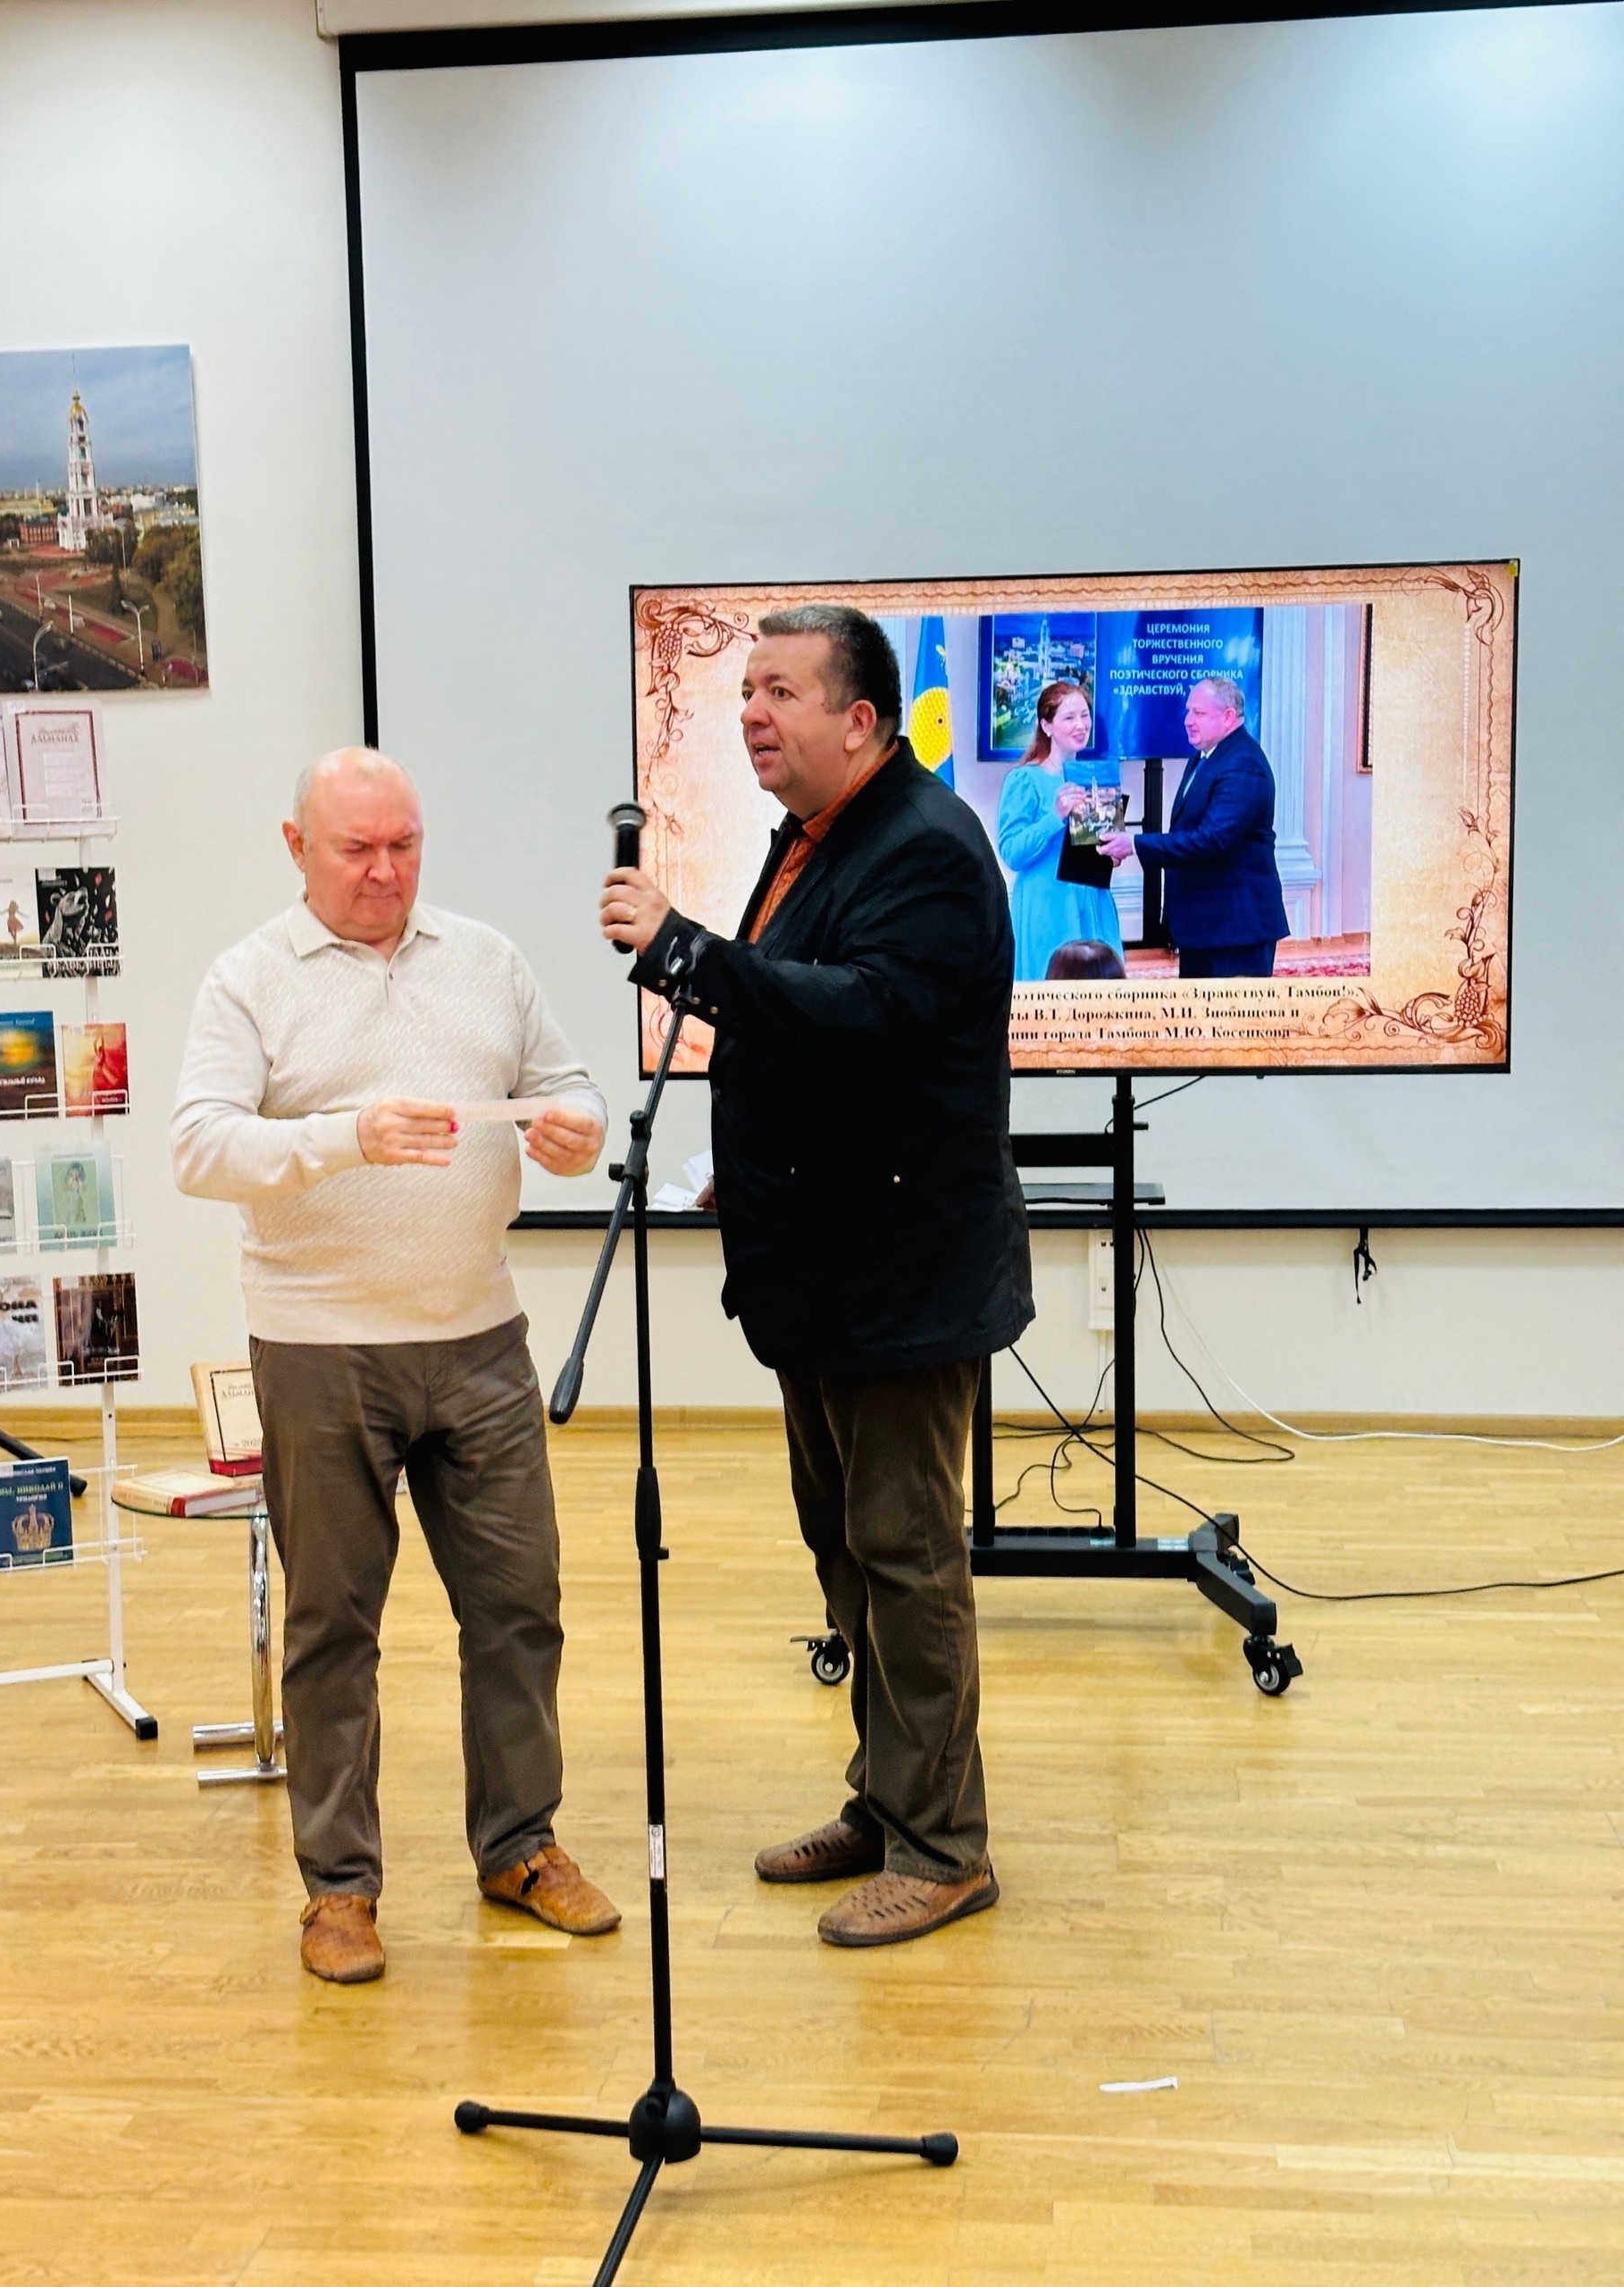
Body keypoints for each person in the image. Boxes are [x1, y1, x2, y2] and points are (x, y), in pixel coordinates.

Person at [601, 605, 1033, 1949]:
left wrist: (681, 950)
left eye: (780, 691)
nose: (751, 714)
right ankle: (888, 1802)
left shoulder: (929, 846)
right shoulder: (814, 834)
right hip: (823, 1263)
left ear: (861, 718)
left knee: (907, 1558)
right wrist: (754, 1166)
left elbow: (866, 1016)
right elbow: (801, 1020)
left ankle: (945, 1849)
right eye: (745, 691)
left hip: (902, 1278)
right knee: (846, 1546)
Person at [172, 746, 621, 1986]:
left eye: (404, 846)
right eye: (357, 848)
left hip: (480, 1339)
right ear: (297, 847)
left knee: (519, 1607)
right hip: (319, 1348)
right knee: (333, 1626)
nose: (384, 871)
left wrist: (576, 1131)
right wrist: (343, 1138)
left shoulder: (487, 960)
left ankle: (520, 1847)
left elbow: (567, 1087)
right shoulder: (249, 979)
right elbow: (200, 1146)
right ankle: (341, 1889)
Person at [1100, 676, 1289, 978]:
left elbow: (1213, 840)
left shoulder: (1244, 764)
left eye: (1198, 713)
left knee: (1231, 1011)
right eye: (1188, 711)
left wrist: (1134, 844)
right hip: (1205, 926)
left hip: (1235, 931)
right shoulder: (1205, 756)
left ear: (1228, 716)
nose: (1188, 721)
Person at [994, 681, 1125, 980]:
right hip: (1049, 908)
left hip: (1094, 902)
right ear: (1046, 726)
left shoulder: (1096, 777)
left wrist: (1111, 852)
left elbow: (1094, 846)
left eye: (1085, 715)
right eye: (1069, 717)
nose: (1081, 725)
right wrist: (1055, 817)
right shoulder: (1025, 779)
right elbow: (1012, 852)